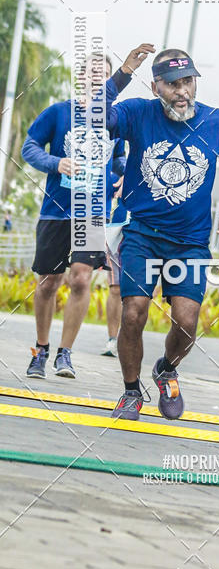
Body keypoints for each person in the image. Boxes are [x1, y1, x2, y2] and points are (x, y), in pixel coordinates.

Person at [99, 44, 219, 421]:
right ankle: (132, 392)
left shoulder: (218, 122)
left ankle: (166, 369)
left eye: (188, 82)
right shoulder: (137, 113)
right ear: (155, 87)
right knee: (133, 313)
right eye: (172, 84)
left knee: (187, 321)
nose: (182, 91)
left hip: (191, 242)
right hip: (142, 234)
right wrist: (122, 76)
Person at [22, 53, 126, 379]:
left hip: (93, 212)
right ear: (80, 76)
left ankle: (65, 354)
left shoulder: (114, 122)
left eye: (105, 74)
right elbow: (30, 147)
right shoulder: (58, 112)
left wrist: (121, 180)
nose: (98, 78)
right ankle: (41, 349)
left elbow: (120, 163)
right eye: (93, 71)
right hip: (56, 210)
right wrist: (56, 163)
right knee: (49, 282)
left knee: (80, 278)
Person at [101, 171, 128, 358]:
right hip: (114, 231)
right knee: (116, 288)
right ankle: (112, 339)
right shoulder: (113, 173)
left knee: (137, 293)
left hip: (143, 229)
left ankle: (130, 338)